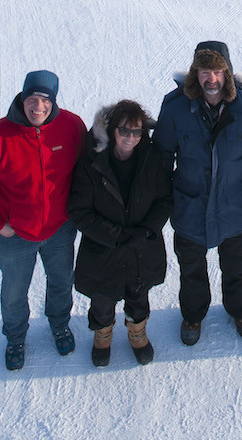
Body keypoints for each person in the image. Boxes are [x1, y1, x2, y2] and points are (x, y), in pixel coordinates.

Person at [0, 70, 86, 371]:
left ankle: (59, 325)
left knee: (61, 282)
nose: (38, 107)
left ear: (53, 101)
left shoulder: (71, 126)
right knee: (14, 291)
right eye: (32, 99)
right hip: (15, 235)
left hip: (59, 229)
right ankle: (16, 337)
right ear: (22, 98)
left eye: (45, 100)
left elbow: (88, 169)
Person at [153, 41, 242, 346]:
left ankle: (240, 310)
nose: (211, 79)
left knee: (237, 266)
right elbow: (162, 157)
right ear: (196, 72)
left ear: (228, 73)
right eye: (205, 71)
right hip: (189, 207)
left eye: (218, 71)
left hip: (234, 207)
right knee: (191, 270)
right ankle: (193, 315)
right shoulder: (176, 107)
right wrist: (161, 200)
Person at [67, 100, 172, 367]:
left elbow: (164, 199)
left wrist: (147, 231)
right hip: (104, 250)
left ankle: (137, 333)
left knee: (138, 293)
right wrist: (115, 235)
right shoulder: (93, 163)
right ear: (113, 130)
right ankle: (102, 334)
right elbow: (79, 211)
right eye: (124, 131)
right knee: (102, 298)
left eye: (136, 132)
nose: (130, 137)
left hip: (142, 246)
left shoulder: (151, 158)